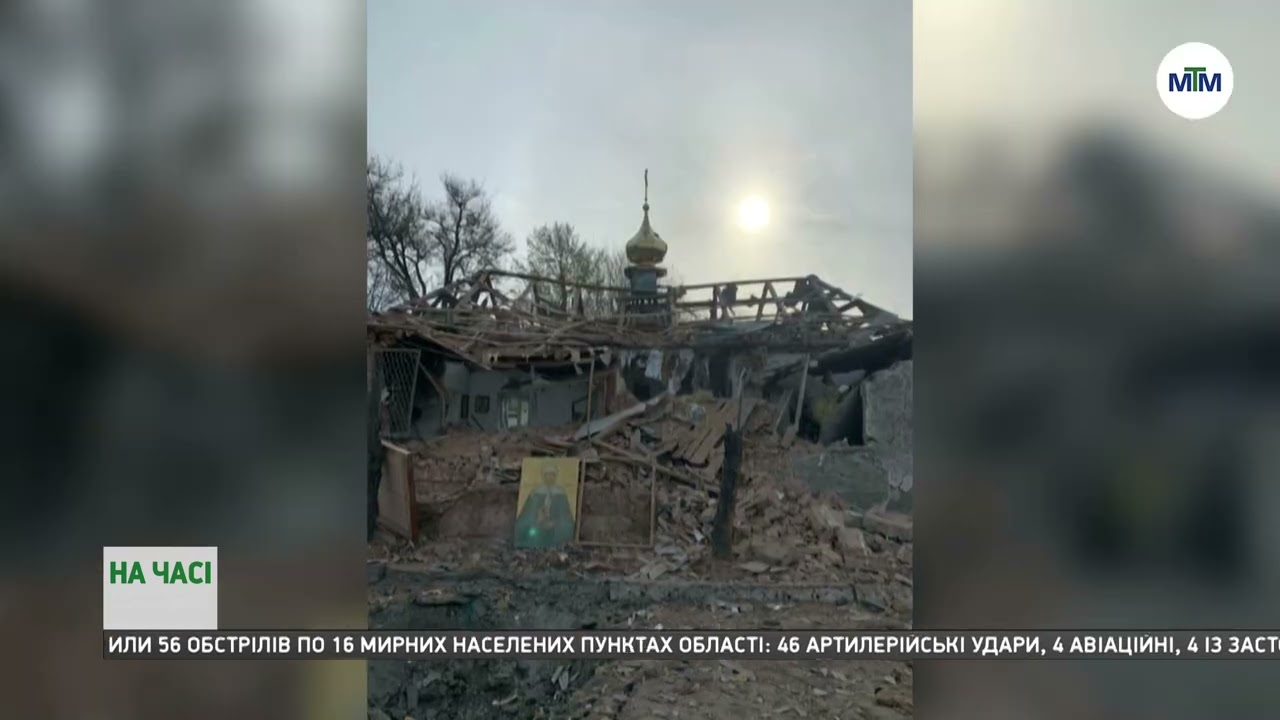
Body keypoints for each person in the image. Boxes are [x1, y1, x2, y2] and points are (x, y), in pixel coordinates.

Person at [513, 464, 576, 548]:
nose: (549, 477)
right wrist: (538, 520)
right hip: (538, 521)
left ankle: (559, 546)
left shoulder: (561, 492)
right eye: (547, 475)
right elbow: (528, 511)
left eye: (552, 475)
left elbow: (565, 513)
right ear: (544, 476)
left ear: (555, 476)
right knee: (525, 525)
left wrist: (554, 522)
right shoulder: (536, 491)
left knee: (566, 526)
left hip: (555, 522)